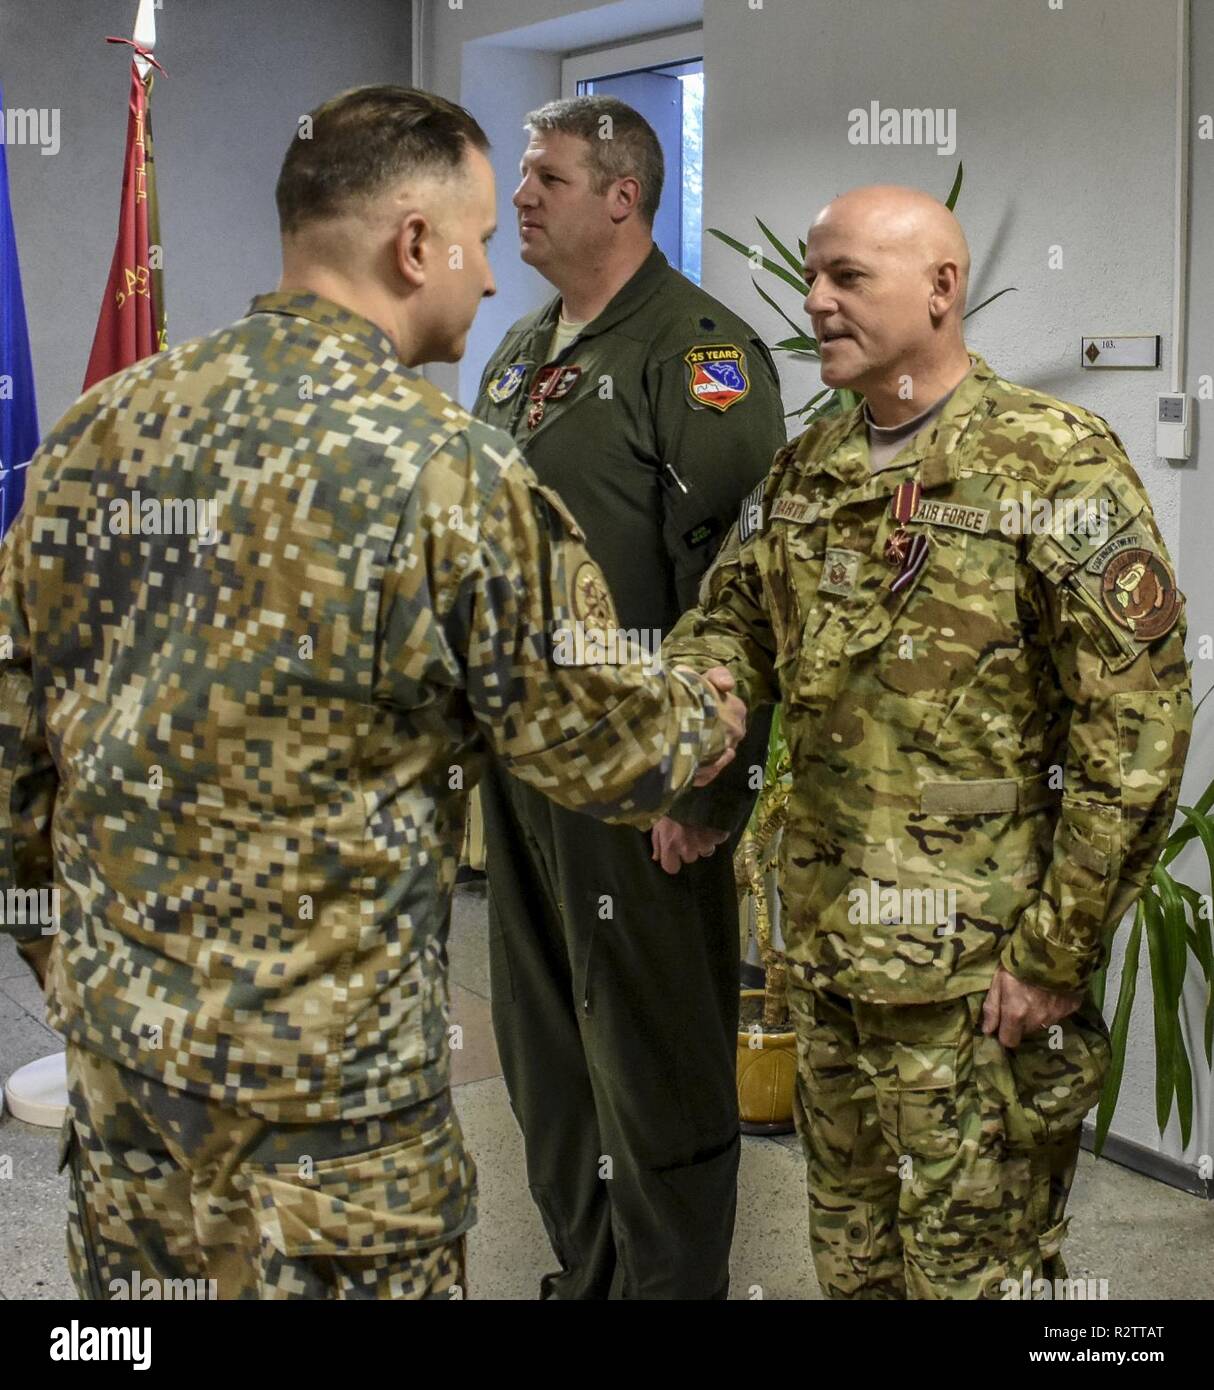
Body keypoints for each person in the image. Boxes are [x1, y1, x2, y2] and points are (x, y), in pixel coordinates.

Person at [0, 85, 746, 1302]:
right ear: (415, 246)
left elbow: (11, 753)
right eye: (480, 243)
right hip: (334, 1147)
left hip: (132, 1113)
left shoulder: (96, 435)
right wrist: (711, 707)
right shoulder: (441, 466)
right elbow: (603, 740)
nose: (493, 278)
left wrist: (81, 973)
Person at [663, 184, 1192, 1299]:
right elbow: (733, 620)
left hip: (975, 982)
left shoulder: (1047, 460)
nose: (812, 301)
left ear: (941, 288)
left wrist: (1053, 954)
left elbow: (1135, 726)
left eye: (845, 276)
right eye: (809, 275)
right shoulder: (813, 468)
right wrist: (699, 698)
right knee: (852, 1264)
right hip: (829, 961)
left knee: (978, 1278)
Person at [473, 96, 786, 1300]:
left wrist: (717, 791)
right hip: (524, 762)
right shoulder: (518, 348)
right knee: (544, 1043)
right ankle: (585, 1273)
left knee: (653, 1054)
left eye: (545, 175)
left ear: (621, 193)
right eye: (519, 176)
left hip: (650, 768)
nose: (520, 197)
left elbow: (747, 595)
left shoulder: (698, 356)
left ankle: (665, 1288)